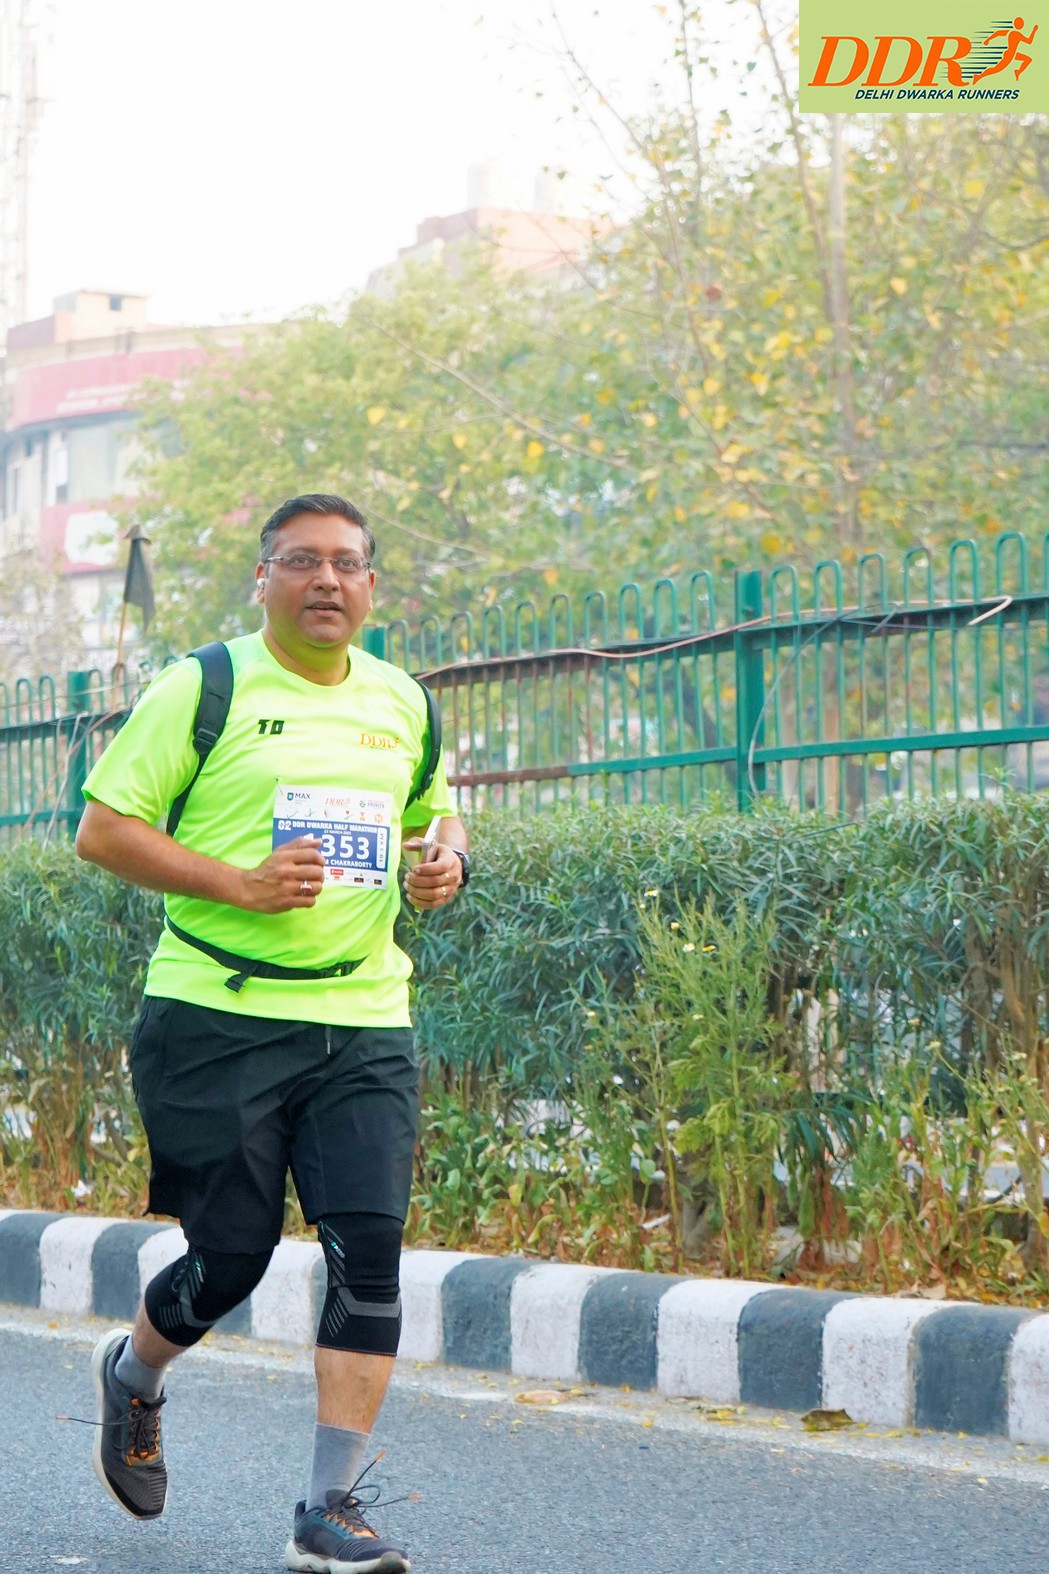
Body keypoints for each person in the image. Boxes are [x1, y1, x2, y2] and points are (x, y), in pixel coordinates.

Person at [75, 492, 469, 1574]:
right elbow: (102, 830)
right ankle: (134, 1373)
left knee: (368, 1256)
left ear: (371, 585)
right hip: (216, 1014)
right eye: (301, 560)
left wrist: (445, 861)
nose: (325, 580)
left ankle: (328, 1508)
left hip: (364, 1013)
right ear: (264, 580)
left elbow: (432, 811)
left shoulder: (402, 700)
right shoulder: (204, 686)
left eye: (346, 562)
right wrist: (238, 883)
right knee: (231, 1259)